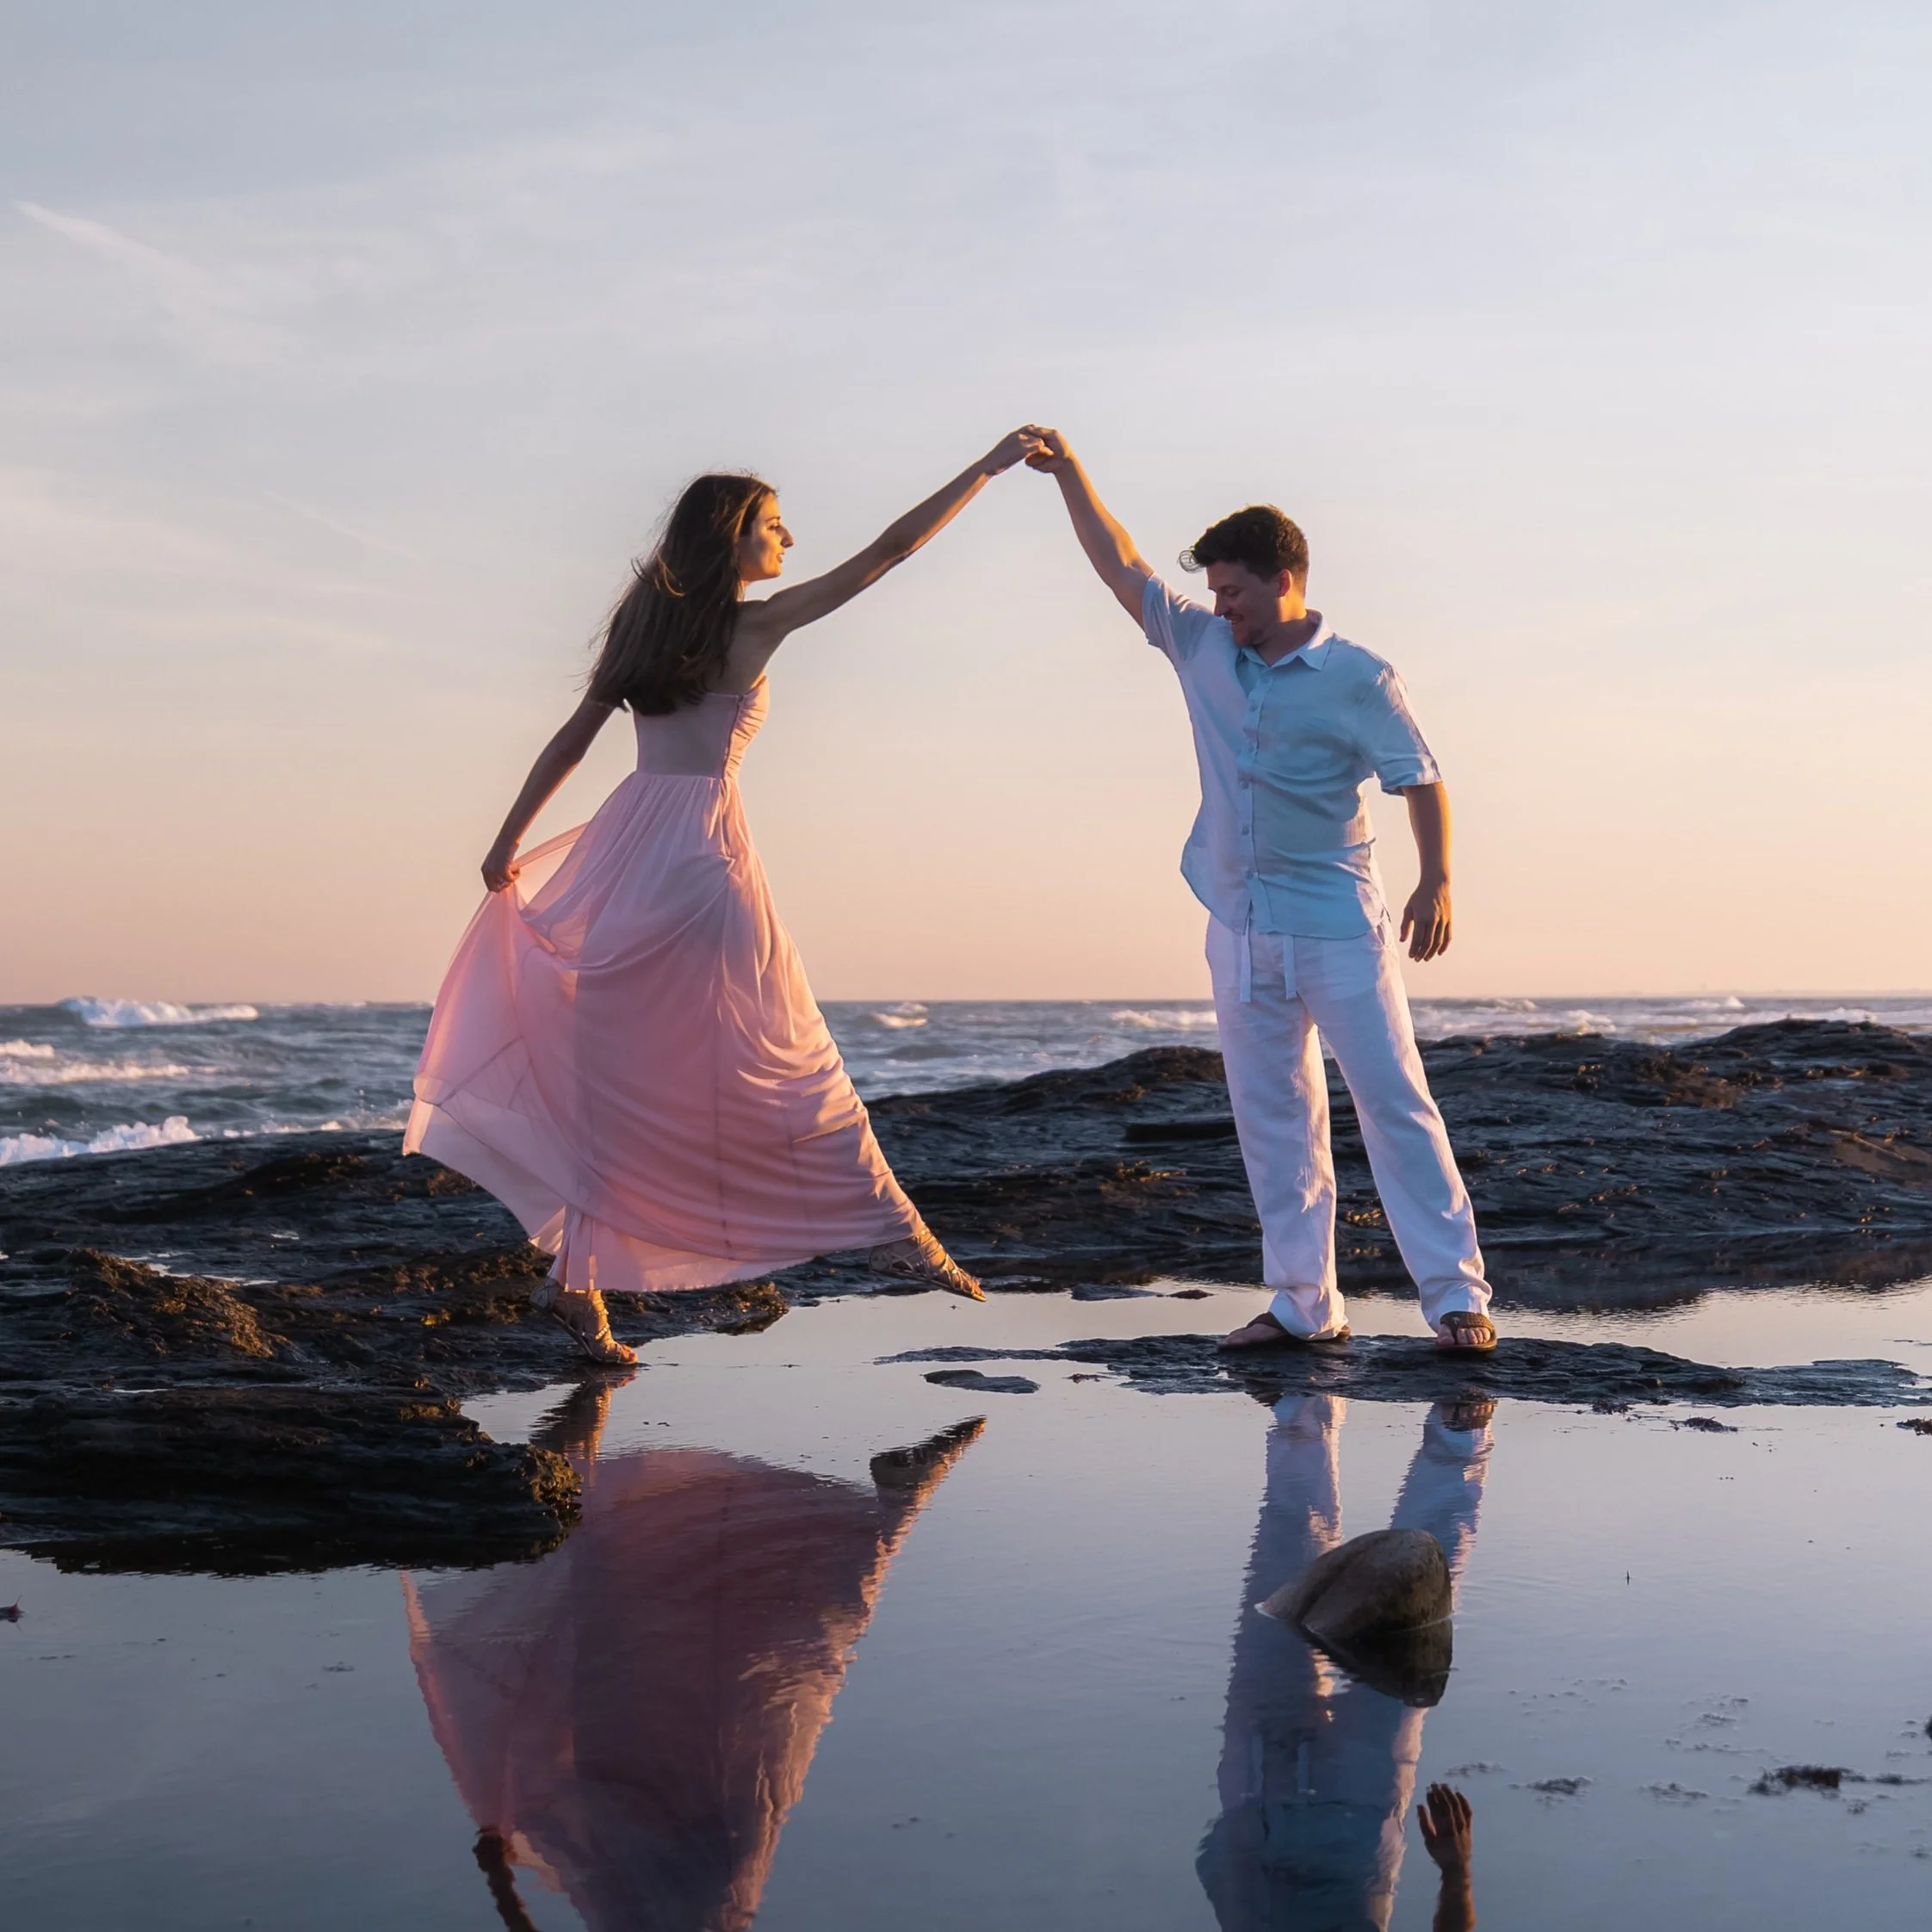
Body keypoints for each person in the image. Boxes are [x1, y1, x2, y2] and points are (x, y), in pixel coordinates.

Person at [407, 434, 1044, 1362]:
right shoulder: (756, 625)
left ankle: (576, 1292)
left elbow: (572, 741)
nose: (788, 539)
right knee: (789, 1051)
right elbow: (889, 555)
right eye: (774, 526)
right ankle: (897, 1233)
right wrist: (983, 472)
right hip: (703, 860)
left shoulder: (645, 626)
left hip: (623, 855)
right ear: (732, 538)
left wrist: (506, 840)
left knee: (615, 1083)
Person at [1024, 429, 1495, 1353]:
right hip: (1238, 929)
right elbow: (1119, 565)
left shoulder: (1359, 677)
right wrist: (1070, 475)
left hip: (1337, 928)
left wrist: (1437, 879)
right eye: (1214, 595)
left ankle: (1455, 1296)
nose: (1222, 610)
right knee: (1274, 1119)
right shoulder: (1202, 647)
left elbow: (1420, 778)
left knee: (1394, 1105)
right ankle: (1303, 1305)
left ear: (1285, 580)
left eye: (1233, 592)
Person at [406, 1379, 984, 1931]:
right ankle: (891, 1506)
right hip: (649, 1775)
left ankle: (893, 1506)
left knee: (783, 1654)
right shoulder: (701, 1902)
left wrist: (500, 1875)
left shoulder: (692, 1902)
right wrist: (499, 1875)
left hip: (641, 1769)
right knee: (769, 1653)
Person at [1196, 1390, 1493, 1930]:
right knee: (1411, 1596)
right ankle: (1459, 1435)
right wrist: (1456, 1875)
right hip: (1356, 1820)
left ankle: (1304, 1401)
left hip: (1261, 1801)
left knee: (1282, 1567)